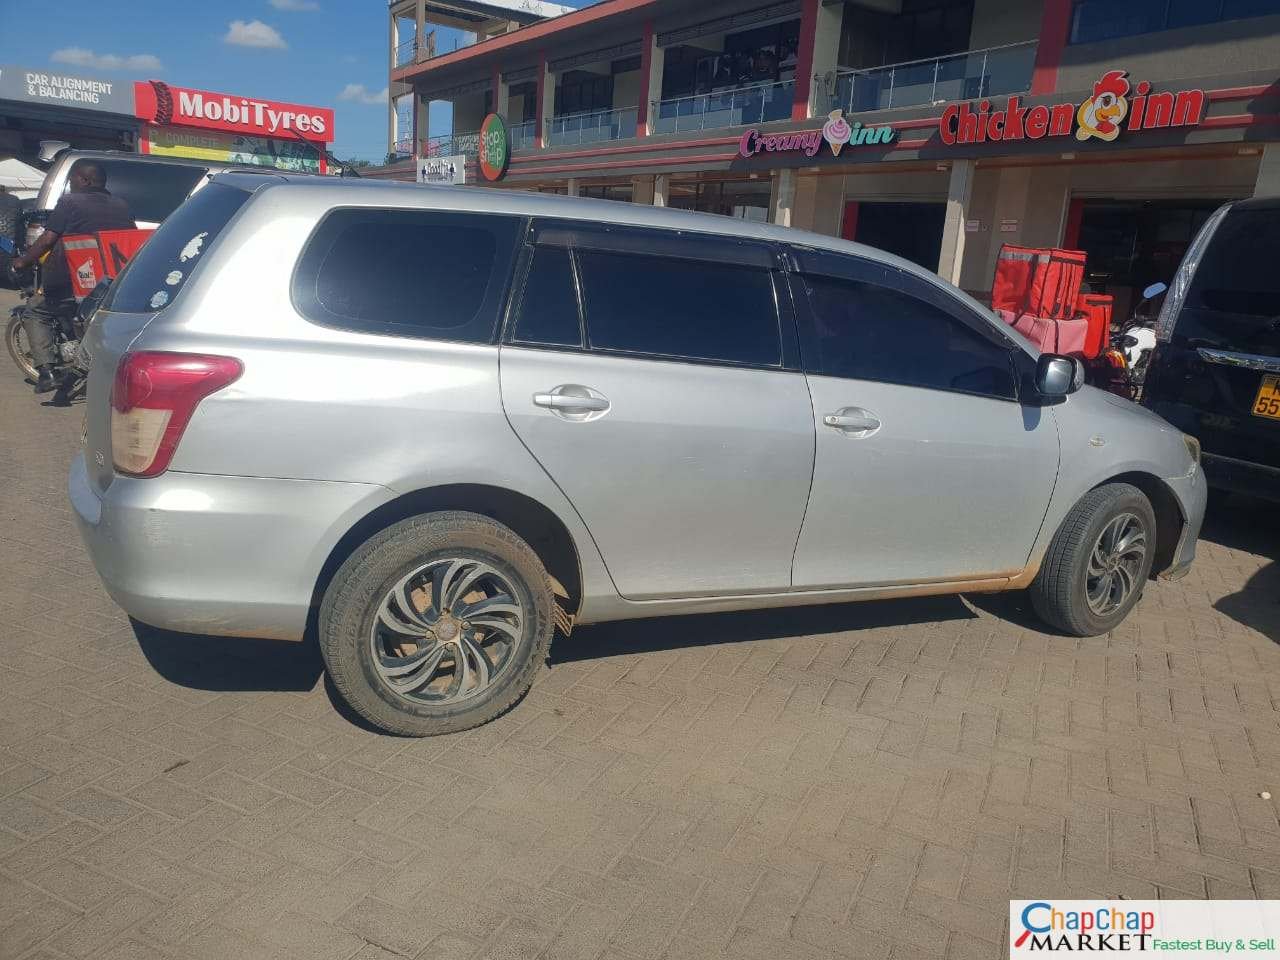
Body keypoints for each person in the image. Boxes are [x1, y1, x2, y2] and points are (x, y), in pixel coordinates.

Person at [11, 159, 134, 393]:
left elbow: (48, 238)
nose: (71, 184)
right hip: (111, 283)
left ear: (85, 180)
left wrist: (21, 262)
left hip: (72, 278)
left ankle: (46, 372)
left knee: (36, 310)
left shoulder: (70, 202)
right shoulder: (121, 205)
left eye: (73, 179)